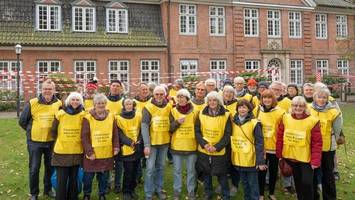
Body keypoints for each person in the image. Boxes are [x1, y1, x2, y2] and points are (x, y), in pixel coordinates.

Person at [19, 79, 62, 200]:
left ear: (54, 90)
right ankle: (34, 193)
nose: (47, 91)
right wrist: (30, 131)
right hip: (35, 142)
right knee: (34, 168)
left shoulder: (58, 103)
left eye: (50, 89)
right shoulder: (33, 103)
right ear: (41, 90)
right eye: (45, 89)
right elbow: (22, 121)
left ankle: (48, 190)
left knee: (50, 167)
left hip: (51, 142)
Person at [276, 96, 322, 200]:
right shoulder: (286, 118)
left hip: (306, 158)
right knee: (298, 183)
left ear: (305, 107)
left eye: (301, 105)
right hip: (291, 156)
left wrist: (315, 161)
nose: (298, 108)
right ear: (292, 106)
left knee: (307, 183)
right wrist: (279, 154)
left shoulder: (312, 121)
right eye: (295, 105)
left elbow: (317, 142)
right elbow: (280, 136)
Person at [81, 93, 120, 200]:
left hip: (106, 152)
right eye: (99, 103)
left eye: (103, 103)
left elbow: (115, 133)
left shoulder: (111, 116)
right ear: (94, 104)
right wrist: (89, 152)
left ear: (106, 104)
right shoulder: (87, 118)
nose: (101, 105)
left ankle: (102, 194)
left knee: (104, 176)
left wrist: (116, 147)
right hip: (92, 153)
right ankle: (87, 194)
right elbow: (84, 137)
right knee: (88, 177)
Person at [195, 91, 231, 200]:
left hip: (219, 150)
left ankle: (225, 195)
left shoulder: (226, 114)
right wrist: (204, 144)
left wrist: (217, 147)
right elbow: (197, 131)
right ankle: (208, 193)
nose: (212, 102)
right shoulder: (201, 113)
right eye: (210, 100)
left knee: (222, 174)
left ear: (219, 101)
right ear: (207, 101)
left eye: (214, 100)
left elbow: (228, 133)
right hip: (204, 149)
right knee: (206, 173)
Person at [51, 92, 85, 200]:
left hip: (76, 152)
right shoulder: (60, 114)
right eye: (73, 99)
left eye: (77, 100)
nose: (75, 102)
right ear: (68, 101)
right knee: (61, 180)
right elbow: (53, 131)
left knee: (74, 180)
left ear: (81, 102)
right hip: (61, 152)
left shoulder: (83, 115)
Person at [310, 88, 342, 200]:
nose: (321, 99)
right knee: (312, 174)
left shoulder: (334, 112)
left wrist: (335, 141)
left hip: (328, 148)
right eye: (319, 97)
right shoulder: (308, 109)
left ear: (328, 98)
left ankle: (329, 197)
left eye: (324, 97)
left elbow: (337, 130)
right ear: (314, 97)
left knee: (328, 174)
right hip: (312, 147)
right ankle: (314, 196)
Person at [142, 86, 173, 200]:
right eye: (157, 94)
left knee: (160, 167)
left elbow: (172, 122)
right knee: (150, 169)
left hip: (164, 143)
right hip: (152, 144)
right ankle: (148, 194)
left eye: (161, 94)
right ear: (153, 95)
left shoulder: (169, 106)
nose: (159, 96)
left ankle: (159, 189)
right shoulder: (148, 107)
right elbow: (144, 126)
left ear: (165, 94)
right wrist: (146, 144)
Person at [231, 99, 266, 200]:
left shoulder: (255, 123)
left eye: (244, 107)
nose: (242, 109)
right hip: (239, 159)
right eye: (240, 107)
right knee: (245, 184)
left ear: (249, 109)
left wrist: (260, 161)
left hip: (251, 159)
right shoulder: (233, 122)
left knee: (253, 184)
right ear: (237, 109)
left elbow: (259, 143)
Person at [169, 89, 199, 200]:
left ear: (187, 99)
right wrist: (177, 122)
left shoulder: (195, 112)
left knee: (191, 171)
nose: (180, 99)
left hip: (191, 146)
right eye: (179, 97)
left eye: (183, 97)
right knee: (177, 171)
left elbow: (198, 129)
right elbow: (170, 128)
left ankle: (191, 191)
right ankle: (177, 190)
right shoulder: (173, 111)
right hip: (177, 146)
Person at [255, 90, 285, 200]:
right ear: (262, 99)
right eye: (264, 98)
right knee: (261, 172)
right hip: (261, 148)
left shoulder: (281, 112)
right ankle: (261, 194)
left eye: (269, 98)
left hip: (274, 148)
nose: (267, 100)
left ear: (273, 99)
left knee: (273, 172)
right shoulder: (257, 110)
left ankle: (271, 193)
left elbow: (284, 130)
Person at [116, 98, 143, 200]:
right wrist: (129, 142)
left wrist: (139, 140)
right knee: (128, 171)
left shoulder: (138, 115)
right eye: (126, 104)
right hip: (127, 148)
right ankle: (126, 191)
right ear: (123, 105)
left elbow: (141, 129)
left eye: (130, 104)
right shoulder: (118, 118)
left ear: (133, 105)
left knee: (135, 170)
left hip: (137, 148)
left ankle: (132, 189)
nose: (128, 106)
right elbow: (119, 133)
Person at [105, 80, 125, 193]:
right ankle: (107, 183)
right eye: (113, 86)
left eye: (118, 86)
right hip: (107, 134)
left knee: (119, 161)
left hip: (120, 134)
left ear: (121, 88)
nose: (115, 88)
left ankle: (117, 184)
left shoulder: (123, 101)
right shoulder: (105, 101)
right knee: (108, 160)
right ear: (110, 87)